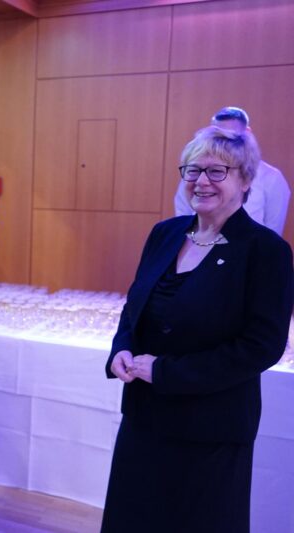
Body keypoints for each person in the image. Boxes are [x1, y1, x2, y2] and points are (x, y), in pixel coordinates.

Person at [102, 125, 293, 532]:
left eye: (217, 171)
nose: (201, 181)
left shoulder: (266, 250)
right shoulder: (165, 234)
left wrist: (166, 371)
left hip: (210, 429)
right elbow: (134, 308)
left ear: (245, 180)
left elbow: (262, 346)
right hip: (144, 418)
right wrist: (121, 348)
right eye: (192, 170)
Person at [174, 106, 290, 236]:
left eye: (231, 137)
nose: (202, 181)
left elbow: (273, 228)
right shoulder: (194, 174)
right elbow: (183, 213)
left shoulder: (272, 177)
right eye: (218, 135)